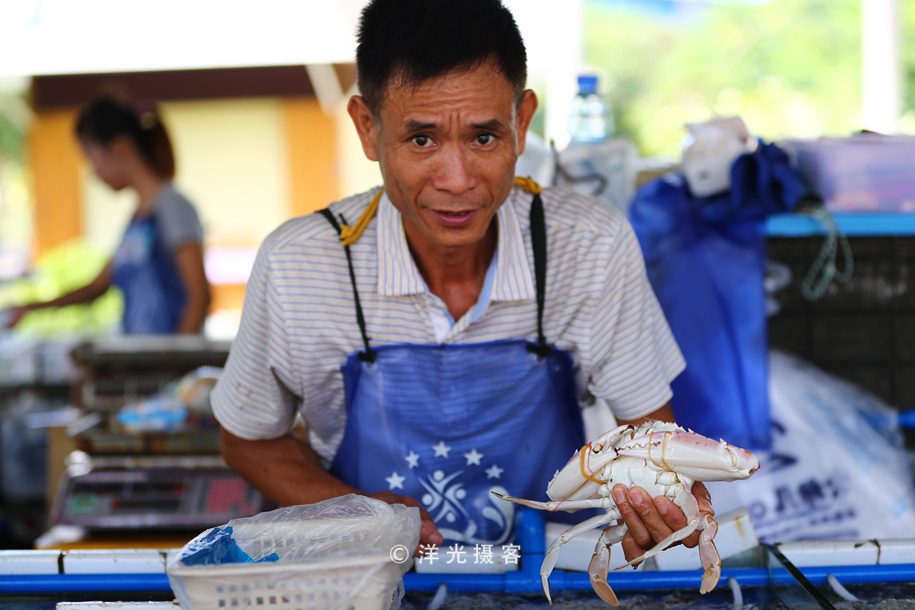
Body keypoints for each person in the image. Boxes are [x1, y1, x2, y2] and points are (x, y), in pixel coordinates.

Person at [213, 0, 711, 562]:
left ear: (523, 124)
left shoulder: (590, 248)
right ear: (367, 128)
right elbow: (247, 438)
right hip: (370, 580)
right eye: (422, 140)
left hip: (548, 577)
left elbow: (654, 445)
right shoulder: (299, 266)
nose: (457, 181)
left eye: (484, 138)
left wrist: (669, 502)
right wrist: (356, 511)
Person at [8, 95, 211, 335]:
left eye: (93, 159)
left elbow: (199, 296)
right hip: (144, 366)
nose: (95, 173)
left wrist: (175, 358)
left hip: (167, 367)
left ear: (119, 148)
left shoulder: (173, 206)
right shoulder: (139, 218)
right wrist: (31, 307)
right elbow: (98, 286)